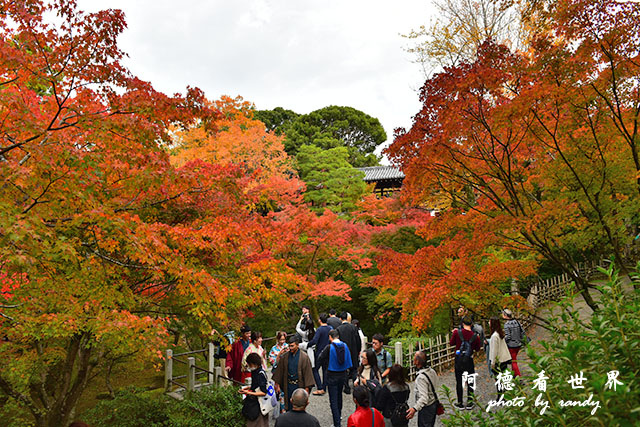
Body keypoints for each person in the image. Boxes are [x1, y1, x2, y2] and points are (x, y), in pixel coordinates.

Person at [316, 329, 352, 427]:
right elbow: (349, 362)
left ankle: (337, 424)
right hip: (343, 374)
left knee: (333, 400)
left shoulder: (329, 347)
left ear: (330, 337)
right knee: (339, 396)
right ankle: (339, 416)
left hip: (332, 374)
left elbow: (320, 357)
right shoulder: (345, 346)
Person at [272, 336, 315, 411]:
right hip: (288, 385)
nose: (290, 348)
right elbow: (279, 371)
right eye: (289, 346)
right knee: (288, 405)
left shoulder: (304, 357)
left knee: (299, 405)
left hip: (299, 385)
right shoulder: (285, 357)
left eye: (292, 346)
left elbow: (308, 373)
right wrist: (277, 384)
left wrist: (307, 389)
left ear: (297, 345)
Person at [449, 316, 481, 410]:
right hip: (469, 360)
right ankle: (470, 402)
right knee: (470, 381)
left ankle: (460, 403)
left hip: (459, 360)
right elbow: (477, 348)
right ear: (471, 324)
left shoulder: (457, 333)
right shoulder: (475, 335)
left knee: (459, 381)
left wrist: (454, 334)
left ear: (462, 323)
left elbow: (451, 343)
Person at [406, 351, 438, 427]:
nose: (412, 358)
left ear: (417, 361)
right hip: (433, 403)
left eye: (414, 356)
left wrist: (414, 409)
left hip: (426, 408)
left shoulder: (421, 378)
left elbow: (424, 398)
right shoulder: (432, 371)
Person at [240, 352, 269, 427]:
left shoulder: (260, 374)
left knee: (258, 423)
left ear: (254, 364)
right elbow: (256, 386)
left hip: (259, 403)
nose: (249, 366)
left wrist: (249, 392)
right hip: (254, 401)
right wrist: (248, 388)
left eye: (249, 364)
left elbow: (263, 392)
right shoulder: (255, 372)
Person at [307, 313, 333, 395]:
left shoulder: (319, 329)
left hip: (319, 352)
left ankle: (320, 387)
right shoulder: (330, 328)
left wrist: (307, 344)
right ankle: (324, 387)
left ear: (320, 320)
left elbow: (315, 340)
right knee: (325, 370)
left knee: (315, 370)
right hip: (328, 351)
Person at [337, 311, 361, 394]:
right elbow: (358, 340)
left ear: (340, 319)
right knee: (354, 370)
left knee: (344, 370)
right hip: (353, 351)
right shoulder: (353, 327)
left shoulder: (339, 329)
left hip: (343, 352)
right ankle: (356, 386)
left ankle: (346, 388)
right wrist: (358, 350)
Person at [488, 317, 512, 397]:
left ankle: (500, 396)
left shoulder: (495, 336)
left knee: (498, 379)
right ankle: (505, 394)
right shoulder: (499, 334)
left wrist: (493, 362)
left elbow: (494, 350)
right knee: (503, 378)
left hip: (499, 361)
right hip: (504, 359)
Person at [503, 308, 527, 377]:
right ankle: (514, 374)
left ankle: (517, 375)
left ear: (505, 315)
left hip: (511, 345)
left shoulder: (507, 325)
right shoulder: (517, 322)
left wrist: (503, 341)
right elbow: (522, 332)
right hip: (518, 344)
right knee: (514, 359)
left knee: (513, 361)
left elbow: (508, 336)